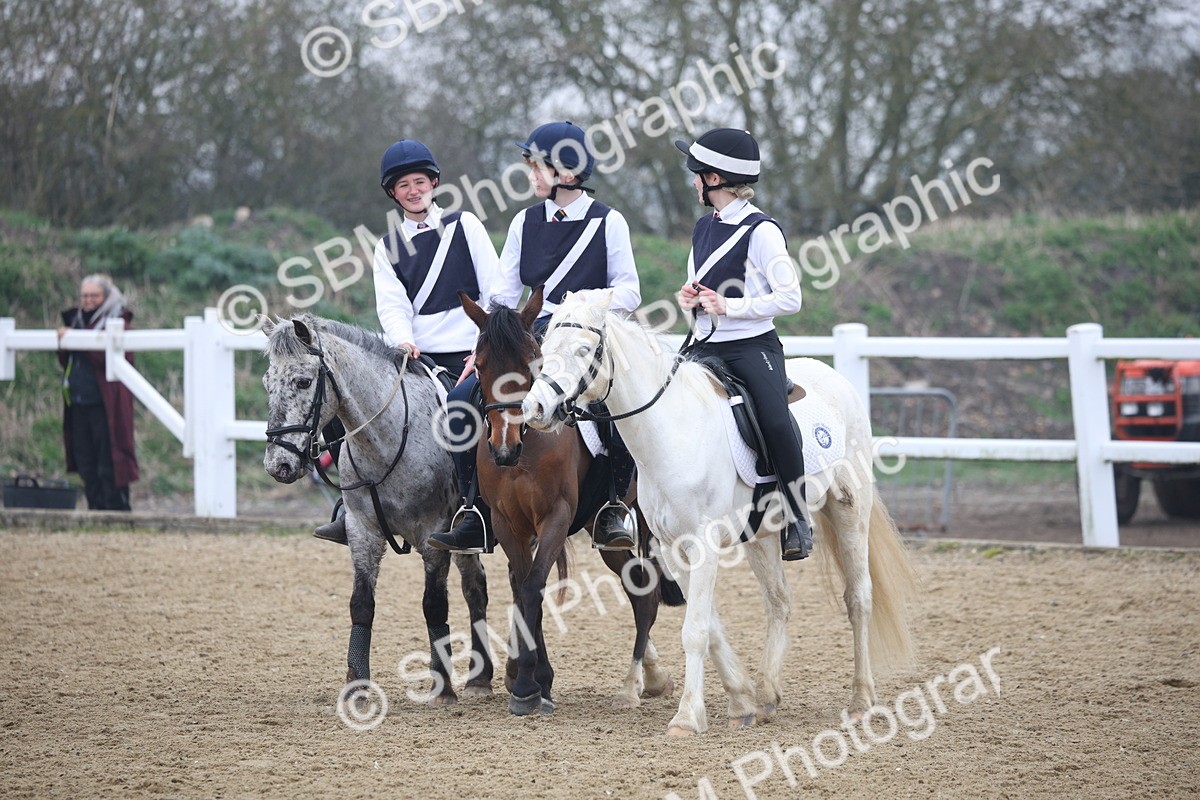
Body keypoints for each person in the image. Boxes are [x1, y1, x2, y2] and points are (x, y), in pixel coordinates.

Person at [429, 120, 642, 553]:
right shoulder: (525, 222)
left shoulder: (609, 222)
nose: (529, 177)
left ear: (565, 174)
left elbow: (630, 291)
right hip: (529, 337)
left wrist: (580, 309)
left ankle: (614, 508)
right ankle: (475, 512)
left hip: (584, 340)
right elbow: (504, 293)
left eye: (535, 168)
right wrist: (486, 341)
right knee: (462, 399)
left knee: (612, 409)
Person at [314, 139, 500, 544]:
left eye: (420, 182)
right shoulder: (388, 246)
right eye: (403, 185)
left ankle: (475, 508)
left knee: (465, 414)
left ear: (434, 183)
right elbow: (393, 305)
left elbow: (494, 290)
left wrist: (482, 346)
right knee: (348, 400)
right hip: (416, 352)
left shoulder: (465, 225)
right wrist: (402, 340)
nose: (413, 190)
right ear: (393, 193)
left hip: (472, 350)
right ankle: (352, 505)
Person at [673, 128, 813, 560]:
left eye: (697, 174)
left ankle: (796, 516)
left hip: (752, 347)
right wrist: (691, 299)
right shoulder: (703, 227)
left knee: (773, 421)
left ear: (714, 179)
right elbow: (702, 288)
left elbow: (791, 298)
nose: (693, 180)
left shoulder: (763, 231)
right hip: (705, 346)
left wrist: (728, 306)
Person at [57, 274, 139, 511]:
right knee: (85, 459)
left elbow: (111, 358)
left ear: (106, 297)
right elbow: (67, 360)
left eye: (94, 295)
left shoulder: (119, 321)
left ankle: (116, 511)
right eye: (85, 295)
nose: (88, 300)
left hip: (107, 404)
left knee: (110, 460)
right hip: (79, 401)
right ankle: (96, 509)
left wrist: (76, 338)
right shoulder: (77, 321)